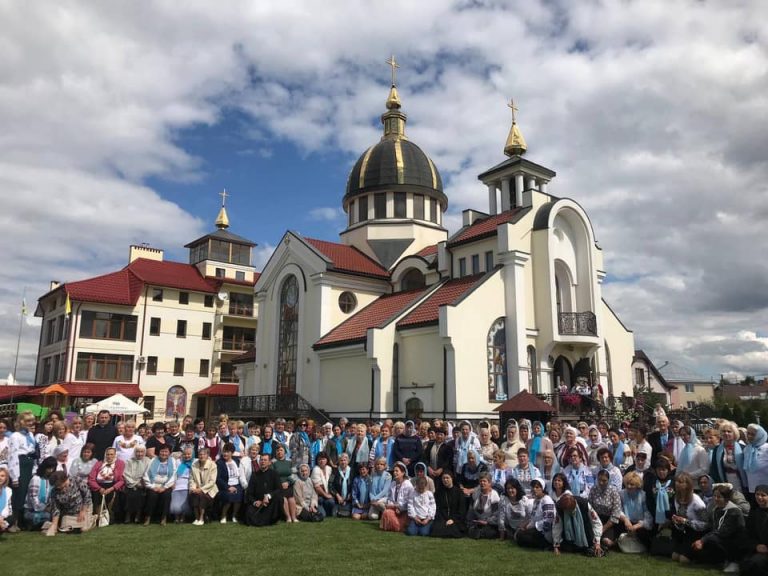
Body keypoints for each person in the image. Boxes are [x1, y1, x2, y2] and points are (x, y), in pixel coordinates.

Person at [690, 483, 746, 572]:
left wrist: (703, 540)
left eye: (719, 497)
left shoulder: (734, 511)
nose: (716, 499)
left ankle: (733, 562)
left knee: (712, 539)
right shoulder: (716, 509)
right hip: (720, 537)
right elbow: (712, 527)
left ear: (727, 498)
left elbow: (723, 532)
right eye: (715, 496)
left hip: (733, 541)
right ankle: (718, 560)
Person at [669, 472, 709, 564]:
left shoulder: (696, 501)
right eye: (677, 481)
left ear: (687, 485)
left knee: (683, 560)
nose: (677, 484)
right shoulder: (676, 498)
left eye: (681, 482)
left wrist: (685, 521)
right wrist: (676, 520)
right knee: (674, 557)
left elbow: (705, 523)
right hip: (683, 531)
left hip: (696, 533)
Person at [8, 411, 38, 531]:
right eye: (28, 421)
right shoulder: (15, 436)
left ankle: (22, 521)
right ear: (21, 422)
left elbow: (33, 452)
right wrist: (14, 476)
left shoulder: (30, 435)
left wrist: (34, 468)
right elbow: (13, 456)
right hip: (20, 464)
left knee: (27, 493)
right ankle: (14, 522)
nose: (31, 423)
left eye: (32, 421)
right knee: (18, 493)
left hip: (29, 464)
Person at [45, 471, 92, 535]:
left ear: (64, 480)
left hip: (84, 508)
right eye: (55, 486)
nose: (57, 487)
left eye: (58, 485)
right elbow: (55, 509)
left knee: (84, 529)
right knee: (65, 528)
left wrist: (83, 511)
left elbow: (87, 495)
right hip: (68, 513)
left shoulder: (76, 480)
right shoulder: (54, 492)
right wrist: (54, 525)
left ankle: (92, 519)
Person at [618, 471, 654, 551]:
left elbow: (648, 516)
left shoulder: (643, 495)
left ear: (637, 485)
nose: (629, 486)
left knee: (643, 534)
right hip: (626, 522)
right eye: (627, 484)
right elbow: (618, 510)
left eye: (632, 484)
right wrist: (625, 520)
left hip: (639, 524)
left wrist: (636, 526)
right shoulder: (621, 494)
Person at [244, 453, 283, 527]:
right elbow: (249, 493)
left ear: (269, 462)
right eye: (261, 460)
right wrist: (255, 502)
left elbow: (279, 489)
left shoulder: (274, 474)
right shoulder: (254, 475)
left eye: (265, 460)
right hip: (258, 503)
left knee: (279, 498)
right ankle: (265, 521)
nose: (263, 462)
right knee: (248, 514)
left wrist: (268, 496)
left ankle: (270, 520)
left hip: (270, 503)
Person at [516, 478, 556, 549]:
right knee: (519, 533)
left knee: (521, 536)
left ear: (542, 488)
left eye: (537, 487)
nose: (534, 489)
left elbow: (548, 521)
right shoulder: (536, 500)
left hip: (544, 532)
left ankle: (546, 545)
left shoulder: (547, 500)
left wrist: (532, 526)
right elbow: (533, 518)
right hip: (536, 528)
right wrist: (526, 525)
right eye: (533, 487)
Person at [87, 447, 124, 520]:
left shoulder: (120, 463)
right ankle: (98, 517)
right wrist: (99, 488)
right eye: (107, 454)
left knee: (112, 496)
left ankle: (110, 517)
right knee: (96, 495)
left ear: (115, 455)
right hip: (99, 486)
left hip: (112, 485)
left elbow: (121, 480)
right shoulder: (99, 463)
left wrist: (111, 489)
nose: (109, 456)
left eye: (111, 454)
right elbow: (91, 479)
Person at [143, 444, 176, 525]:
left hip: (166, 485)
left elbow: (173, 476)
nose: (164, 453)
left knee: (166, 495)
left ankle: (164, 517)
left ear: (169, 453)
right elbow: (146, 474)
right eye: (162, 451)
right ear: (158, 452)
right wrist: (152, 487)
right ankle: (148, 517)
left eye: (166, 451)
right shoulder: (153, 460)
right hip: (153, 485)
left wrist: (164, 487)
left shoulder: (172, 461)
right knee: (152, 496)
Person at [589, 468, 622, 548]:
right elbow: (589, 507)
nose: (601, 482)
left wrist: (602, 529)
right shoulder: (593, 489)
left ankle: (615, 543)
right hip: (596, 519)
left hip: (609, 522)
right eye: (599, 480)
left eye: (604, 480)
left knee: (606, 542)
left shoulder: (614, 492)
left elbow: (615, 514)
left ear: (609, 480)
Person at [740, 484, 768, 576]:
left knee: (755, 564)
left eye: (763, 495)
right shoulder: (754, 513)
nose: (759, 498)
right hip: (758, 548)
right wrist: (756, 546)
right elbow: (747, 535)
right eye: (757, 494)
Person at [711, 422, 746, 493]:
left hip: (740, 480)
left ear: (734, 433)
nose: (726, 433)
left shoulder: (743, 448)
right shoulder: (717, 449)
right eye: (723, 431)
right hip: (725, 480)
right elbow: (714, 468)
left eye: (729, 431)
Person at [380, 461, 414, 532]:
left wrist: (399, 508)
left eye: (397, 471)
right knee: (387, 512)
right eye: (394, 471)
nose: (394, 473)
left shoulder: (408, 485)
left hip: (405, 511)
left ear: (403, 472)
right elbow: (390, 498)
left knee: (396, 522)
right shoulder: (393, 483)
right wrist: (394, 506)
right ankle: (395, 526)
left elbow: (409, 502)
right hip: (395, 509)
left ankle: (399, 526)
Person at [431, 471, 466, 538]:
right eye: (443, 478)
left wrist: (453, 519)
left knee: (455, 529)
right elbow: (437, 508)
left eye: (447, 478)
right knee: (435, 530)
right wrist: (443, 519)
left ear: (452, 479)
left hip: (455, 519)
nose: (445, 480)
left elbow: (462, 510)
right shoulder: (438, 492)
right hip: (442, 518)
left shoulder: (459, 492)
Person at [25, 456, 56, 531]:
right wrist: (44, 508)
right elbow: (33, 497)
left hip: (47, 508)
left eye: (53, 468)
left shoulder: (51, 480)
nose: (51, 470)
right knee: (47, 516)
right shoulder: (36, 479)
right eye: (49, 468)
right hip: (32, 510)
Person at [188, 447, 217, 526]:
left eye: (204, 454)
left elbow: (212, 482)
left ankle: (201, 518)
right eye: (200, 454)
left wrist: (201, 489)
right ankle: (196, 518)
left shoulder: (212, 465)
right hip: (196, 488)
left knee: (202, 496)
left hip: (209, 489)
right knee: (194, 495)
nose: (202, 456)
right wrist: (193, 488)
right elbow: (192, 479)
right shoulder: (194, 465)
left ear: (207, 455)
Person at [121, 444, 150, 524]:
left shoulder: (148, 461)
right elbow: (126, 474)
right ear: (135, 452)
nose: (139, 454)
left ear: (144, 452)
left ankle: (138, 514)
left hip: (142, 483)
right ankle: (128, 514)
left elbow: (147, 473)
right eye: (137, 452)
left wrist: (140, 484)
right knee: (131, 493)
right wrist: (134, 484)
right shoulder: (129, 461)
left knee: (139, 493)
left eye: (142, 452)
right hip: (131, 483)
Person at [467, 472, 499, 539]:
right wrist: (470, 521)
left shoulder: (494, 495)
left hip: (489, 522)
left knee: (491, 532)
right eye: (480, 481)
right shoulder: (476, 493)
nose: (482, 483)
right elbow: (471, 509)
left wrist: (486, 522)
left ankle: (479, 533)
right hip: (477, 521)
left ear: (489, 483)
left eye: (484, 481)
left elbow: (496, 514)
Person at [216, 443, 242, 524]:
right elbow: (218, 479)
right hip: (225, 485)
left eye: (227, 452)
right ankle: (223, 516)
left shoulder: (236, 460)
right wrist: (228, 487)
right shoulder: (220, 463)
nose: (225, 454)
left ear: (232, 453)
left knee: (239, 495)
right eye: (224, 452)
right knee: (229, 496)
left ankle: (234, 515)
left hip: (237, 484)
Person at [272, 443, 297, 522]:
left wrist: (288, 483)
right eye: (277, 450)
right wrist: (280, 484)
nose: (279, 452)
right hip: (278, 486)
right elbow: (272, 476)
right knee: (284, 499)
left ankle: (294, 517)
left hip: (288, 484)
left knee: (291, 499)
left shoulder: (290, 462)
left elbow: (294, 474)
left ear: (285, 452)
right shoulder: (273, 462)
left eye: (281, 450)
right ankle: (288, 517)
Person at [743, 424, 768, 499]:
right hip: (752, 488)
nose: (749, 436)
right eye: (748, 433)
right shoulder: (747, 449)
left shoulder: (766, 448)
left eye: (753, 434)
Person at [170, 445, 193, 522]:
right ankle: (176, 517)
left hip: (187, 483)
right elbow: (174, 473)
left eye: (189, 454)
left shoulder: (194, 462)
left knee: (184, 501)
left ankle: (183, 517)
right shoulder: (178, 461)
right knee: (176, 500)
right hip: (177, 482)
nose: (187, 456)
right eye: (185, 454)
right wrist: (173, 483)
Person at [311, 451, 336, 517]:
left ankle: (328, 511)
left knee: (331, 502)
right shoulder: (315, 469)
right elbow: (317, 487)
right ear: (317, 460)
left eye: (323, 459)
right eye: (320, 459)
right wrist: (326, 495)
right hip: (318, 496)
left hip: (327, 494)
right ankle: (320, 508)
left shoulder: (329, 469)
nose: (322, 461)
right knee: (323, 514)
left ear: (327, 460)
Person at [330, 452, 354, 518]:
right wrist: (337, 495)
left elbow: (355, 485)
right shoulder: (334, 471)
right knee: (333, 514)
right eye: (341, 460)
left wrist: (351, 494)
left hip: (349, 499)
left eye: (345, 460)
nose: (343, 462)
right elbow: (330, 485)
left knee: (351, 512)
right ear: (339, 461)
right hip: (337, 499)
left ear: (348, 461)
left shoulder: (352, 471)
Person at [368, 456, 392, 521]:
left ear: (385, 466)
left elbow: (385, 490)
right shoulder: (372, 475)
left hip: (384, 498)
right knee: (372, 517)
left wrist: (375, 499)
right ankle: (381, 513)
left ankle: (386, 512)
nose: (379, 466)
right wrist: (372, 499)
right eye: (378, 464)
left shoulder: (388, 475)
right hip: (374, 499)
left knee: (379, 503)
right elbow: (370, 490)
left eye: (381, 464)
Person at [0, 468, 12, 533]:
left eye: (2, 476)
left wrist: (1, 517)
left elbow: (8, 509)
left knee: (10, 518)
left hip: (2, 517)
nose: (0, 478)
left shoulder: (8, 491)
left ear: (6, 478)